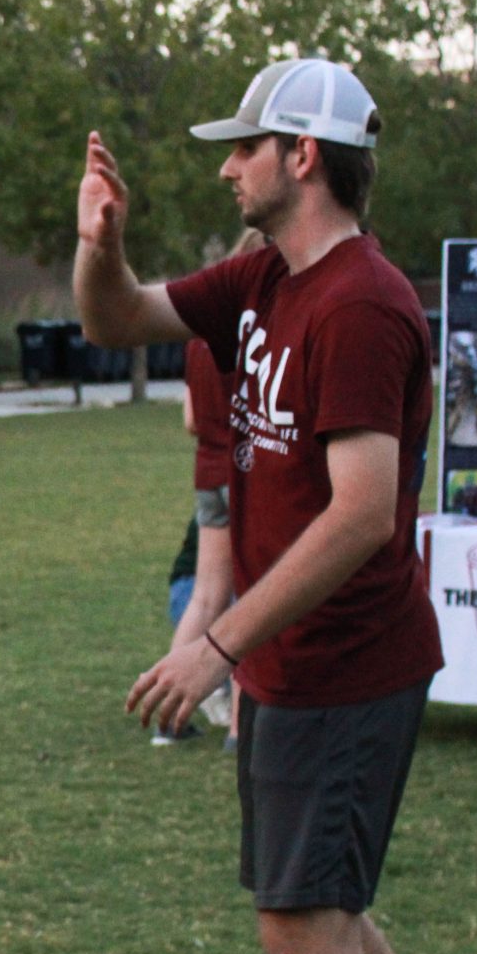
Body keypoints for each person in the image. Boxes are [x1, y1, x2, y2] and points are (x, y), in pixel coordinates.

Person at [84, 58, 477, 954]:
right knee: (339, 915)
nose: (226, 166)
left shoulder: (357, 304)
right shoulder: (266, 277)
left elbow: (366, 512)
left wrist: (215, 638)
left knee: (302, 927)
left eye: (243, 147)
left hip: (342, 662)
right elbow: (118, 320)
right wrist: (97, 239)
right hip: (299, 659)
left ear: (301, 156)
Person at [156, 228, 267, 747]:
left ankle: (168, 720)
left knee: (207, 599)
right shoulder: (267, 330)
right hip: (251, 475)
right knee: (257, 600)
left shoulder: (200, 335)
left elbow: (193, 418)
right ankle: (241, 731)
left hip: (208, 472)